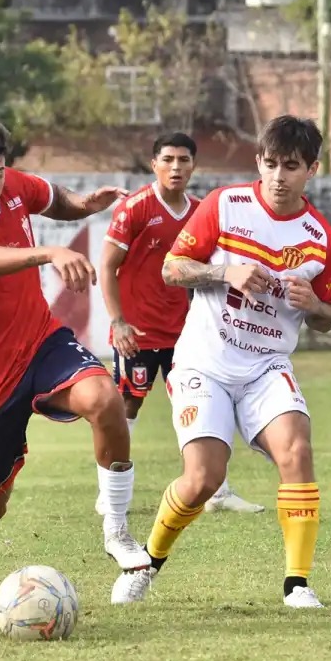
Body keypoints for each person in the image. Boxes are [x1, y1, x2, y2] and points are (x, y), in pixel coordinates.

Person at [111, 115, 331, 609]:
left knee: (297, 454)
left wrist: (315, 306)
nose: (279, 176)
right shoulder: (226, 205)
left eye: (292, 166)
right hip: (205, 363)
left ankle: (297, 585)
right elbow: (173, 268)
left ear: (313, 169)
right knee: (203, 479)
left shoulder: (321, 236)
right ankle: (147, 563)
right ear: (258, 162)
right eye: (271, 163)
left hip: (266, 366)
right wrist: (224, 270)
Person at [0, 116, 148, 610]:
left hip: (40, 341)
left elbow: (52, 198)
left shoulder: (13, 187)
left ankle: (116, 526)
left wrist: (84, 205)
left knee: (104, 398)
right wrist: (47, 251)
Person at [98, 131, 263, 516]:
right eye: (168, 159)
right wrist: (118, 322)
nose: (176, 167)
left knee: (203, 403)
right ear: (154, 164)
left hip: (186, 333)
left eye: (183, 160)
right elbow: (106, 266)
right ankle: (110, 491)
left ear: (193, 165)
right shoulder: (135, 208)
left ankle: (218, 492)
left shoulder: (201, 211)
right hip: (136, 332)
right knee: (127, 406)